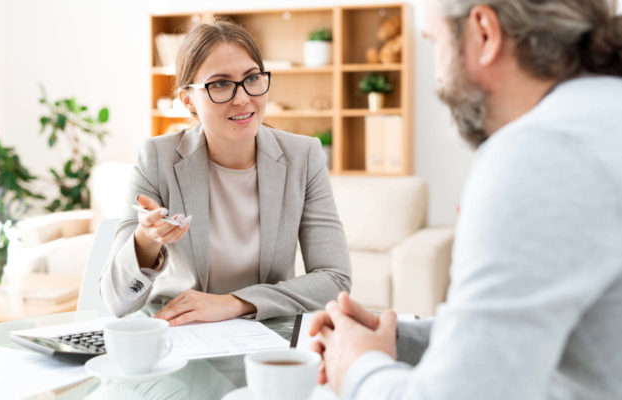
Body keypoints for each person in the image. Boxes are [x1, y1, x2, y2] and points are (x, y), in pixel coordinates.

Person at [310, 0, 622, 399]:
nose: (439, 79)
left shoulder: (541, 151)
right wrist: (394, 339)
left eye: (435, 42)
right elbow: (519, 332)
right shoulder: (600, 115)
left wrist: (356, 367)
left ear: (485, 33)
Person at [99, 21, 351, 324]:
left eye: (252, 78)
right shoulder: (157, 159)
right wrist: (146, 240)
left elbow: (335, 280)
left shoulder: (304, 156)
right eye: (220, 84)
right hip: (180, 337)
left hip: (267, 334)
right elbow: (116, 301)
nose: (243, 98)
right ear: (188, 100)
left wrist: (233, 303)